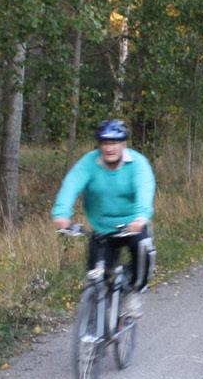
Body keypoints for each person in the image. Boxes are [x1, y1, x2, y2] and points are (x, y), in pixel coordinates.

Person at [52, 119, 157, 318]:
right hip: (102, 228)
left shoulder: (137, 164)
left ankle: (134, 292)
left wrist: (141, 217)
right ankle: (97, 321)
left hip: (132, 225)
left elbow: (145, 189)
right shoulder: (89, 163)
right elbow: (71, 185)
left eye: (114, 142)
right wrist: (61, 213)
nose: (109, 148)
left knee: (144, 248)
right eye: (105, 143)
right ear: (100, 145)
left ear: (123, 144)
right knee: (96, 278)